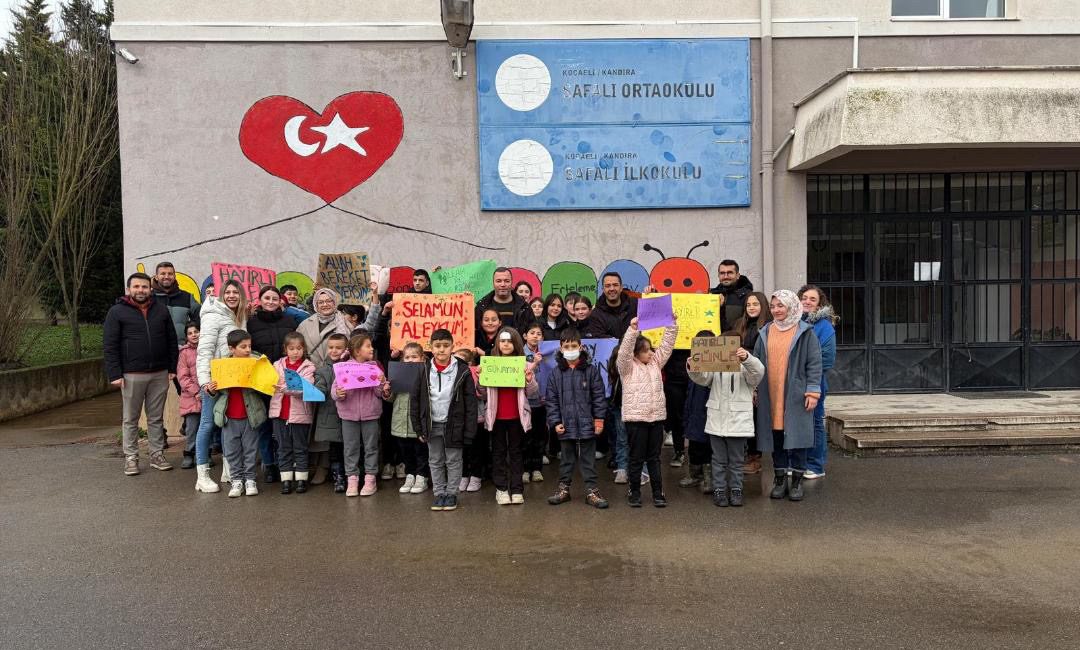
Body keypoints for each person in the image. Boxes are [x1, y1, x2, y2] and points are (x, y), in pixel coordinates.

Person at [103, 272, 179, 476]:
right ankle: (131, 457)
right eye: (136, 287)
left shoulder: (161, 310)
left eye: (144, 287)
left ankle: (156, 455)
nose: (141, 290)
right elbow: (110, 345)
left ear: (150, 289)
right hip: (131, 374)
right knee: (131, 418)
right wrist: (115, 373)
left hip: (159, 373)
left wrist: (172, 368)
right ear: (129, 289)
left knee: (156, 418)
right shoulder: (116, 312)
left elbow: (171, 340)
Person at [753, 290, 822, 502]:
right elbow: (755, 362)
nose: (776, 310)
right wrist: (754, 388)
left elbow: (814, 363)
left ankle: (797, 481)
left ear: (791, 306)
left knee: (798, 437)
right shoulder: (765, 331)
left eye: (780, 306)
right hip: (770, 392)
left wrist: (812, 391)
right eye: (773, 306)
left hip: (796, 394)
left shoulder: (805, 332)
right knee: (776, 437)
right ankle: (780, 479)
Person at [689, 332, 764, 507]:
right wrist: (694, 365)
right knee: (718, 459)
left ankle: (736, 489)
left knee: (737, 460)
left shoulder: (746, 365)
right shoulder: (716, 363)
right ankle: (720, 490)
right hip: (717, 420)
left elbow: (758, 373)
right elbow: (702, 378)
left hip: (738, 421)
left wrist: (747, 358)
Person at [410, 329, 478, 511]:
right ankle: (439, 493)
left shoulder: (462, 370)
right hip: (432, 424)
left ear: (452, 347)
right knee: (435, 460)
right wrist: (418, 427)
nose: (441, 350)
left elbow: (471, 403)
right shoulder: (424, 370)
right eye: (437, 346)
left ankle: (451, 494)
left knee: (454, 460)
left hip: (454, 425)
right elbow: (415, 400)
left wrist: (469, 431)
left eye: (446, 346)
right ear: (430, 347)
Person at [617, 315, 678, 508]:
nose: (651, 353)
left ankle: (658, 493)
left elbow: (667, 346)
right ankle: (634, 492)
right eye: (645, 350)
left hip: (656, 418)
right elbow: (624, 352)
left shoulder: (655, 363)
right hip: (636, 420)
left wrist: (672, 324)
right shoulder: (627, 368)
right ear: (635, 353)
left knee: (654, 458)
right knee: (636, 458)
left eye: (651, 349)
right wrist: (632, 330)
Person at [545, 327, 609, 509]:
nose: (570, 349)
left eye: (574, 346)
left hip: (587, 425)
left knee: (588, 460)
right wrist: (556, 422)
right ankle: (563, 490)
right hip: (565, 425)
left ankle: (592, 492)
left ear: (580, 347)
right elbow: (551, 400)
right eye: (567, 346)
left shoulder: (591, 371)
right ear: (561, 348)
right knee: (566, 460)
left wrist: (598, 420)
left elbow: (599, 397)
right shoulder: (556, 373)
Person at [194, 279, 247, 492]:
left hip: (231, 380)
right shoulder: (212, 315)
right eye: (228, 292)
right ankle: (202, 476)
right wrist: (205, 382)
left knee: (226, 423)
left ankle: (228, 470)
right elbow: (204, 350)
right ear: (221, 294)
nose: (232, 295)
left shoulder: (239, 316)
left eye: (236, 292)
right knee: (207, 424)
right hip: (214, 380)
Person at [247, 285, 300, 483]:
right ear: (260, 300)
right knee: (264, 425)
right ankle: (269, 464)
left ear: (280, 302)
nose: (270, 302)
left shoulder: (290, 321)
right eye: (267, 298)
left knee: (285, 423)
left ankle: (285, 463)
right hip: (262, 381)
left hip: (286, 380)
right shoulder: (251, 323)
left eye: (274, 299)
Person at [481, 327, 539, 505]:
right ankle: (501, 489)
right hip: (496, 417)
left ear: (516, 343)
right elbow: (482, 393)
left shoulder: (523, 364)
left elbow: (533, 391)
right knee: (498, 453)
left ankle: (516, 489)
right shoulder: (490, 364)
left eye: (510, 341)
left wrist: (529, 379)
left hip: (517, 417)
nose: (506, 344)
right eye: (502, 341)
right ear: (497, 343)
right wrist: (481, 380)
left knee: (516, 453)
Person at [211, 330, 266, 497]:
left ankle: (250, 479)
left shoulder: (257, 362)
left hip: (251, 415)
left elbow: (265, 387)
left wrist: (262, 379)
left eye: (249, 346)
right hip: (228, 416)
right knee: (231, 450)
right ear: (231, 348)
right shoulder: (222, 365)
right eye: (243, 347)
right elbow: (217, 391)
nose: (248, 349)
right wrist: (211, 389)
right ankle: (236, 480)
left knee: (251, 449)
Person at [332, 333, 387, 497]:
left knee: (371, 447)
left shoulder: (375, 367)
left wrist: (382, 384)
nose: (372, 349)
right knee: (350, 448)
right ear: (357, 350)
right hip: (348, 415)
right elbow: (335, 391)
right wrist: (338, 393)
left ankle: (370, 479)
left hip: (371, 414)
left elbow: (379, 393)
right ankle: (352, 479)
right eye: (368, 346)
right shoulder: (343, 368)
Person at [269, 332, 317, 494]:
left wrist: (286, 388)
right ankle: (286, 480)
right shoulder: (277, 365)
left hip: (300, 415)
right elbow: (270, 382)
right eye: (291, 348)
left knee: (300, 448)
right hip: (279, 414)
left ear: (304, 349)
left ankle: (301, 480)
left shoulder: (308, 367)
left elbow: (305, 388)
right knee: (283, 447)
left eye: (299, 348)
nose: (295, 352)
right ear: (285, 349)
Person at [799, 285, 836, 481]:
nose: (807, 301)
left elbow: (827, 359)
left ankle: (815, 465)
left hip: (814, 381)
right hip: (794, 382)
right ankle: (798, 462)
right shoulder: (793, 322)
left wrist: (802, 368)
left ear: (819, 304)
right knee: (796, 423)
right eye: (804, 298)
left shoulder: (824, 326)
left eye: (812, 299)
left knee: (815, 423)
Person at [385, 342, 429, 495]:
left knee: (421, 451)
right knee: (406, 451)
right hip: (400, 421)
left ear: (422, 358)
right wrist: (387, 391)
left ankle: (422, 476)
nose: (410, 360)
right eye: (407, 357)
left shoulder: (427, 374)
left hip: (418, 423)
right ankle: (410, 475)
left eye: (414, 357)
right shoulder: (398, 374)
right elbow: (391, 398)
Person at [734, 291, 771, 474]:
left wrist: (756, 388)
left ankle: (755, 458)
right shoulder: (739, 324)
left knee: (756, 418)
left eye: (755, 304)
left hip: (760, 377)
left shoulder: (768, 327)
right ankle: (744, 455)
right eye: (748, 305)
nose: (751, 307)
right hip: (740, 377)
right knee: (744, 416)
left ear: (763, 306)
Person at [679, 330, 715, 494]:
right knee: (694, 443)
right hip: (694, 410)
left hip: (708, 411)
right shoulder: (693, 364)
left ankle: (708, 477)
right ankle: (695, 474)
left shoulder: (715, 368)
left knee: (707, 444)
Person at [312, 333, 349, 493]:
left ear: (346, 349)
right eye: (331, 347)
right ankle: (338, 477)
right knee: (335, 450)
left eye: (338, 348)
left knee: (351, 448)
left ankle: (352, 476)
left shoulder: (351, 366)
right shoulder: (322, 370)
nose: (334, 351)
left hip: (349, 415)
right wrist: (314, 391)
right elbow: (320, 387)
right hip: (331, 415)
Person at [296, 288, 353, 367]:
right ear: (316, 305)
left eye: (329, 301)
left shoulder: (345, 323)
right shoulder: (305, 325)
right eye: (320, 302)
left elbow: (352, 348)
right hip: (310, 371)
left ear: (334, 302)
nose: (325, 304)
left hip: (335, 371)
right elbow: (297, 347)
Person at [151, 261, 200, 345]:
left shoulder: (187, 297)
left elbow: (199, 319)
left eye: (170, 274)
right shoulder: (149, 298)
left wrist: (191, 340)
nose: (167, 276)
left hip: (182, 348)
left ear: (174, 276)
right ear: (156, 277)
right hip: (156, 348)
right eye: (163, 273)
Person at [522, 322, 546, 484]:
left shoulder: (547, 352)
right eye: (532, 333)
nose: (535, 336)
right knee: (525, 437)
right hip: (524, 402)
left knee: (539, 436)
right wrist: (535, 363)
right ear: (525, 336)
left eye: (539, 334)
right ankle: (525, 469)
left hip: (541, 402)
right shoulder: (519, 352)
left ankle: (537, 469)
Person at [177, 323, 202, 470]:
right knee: (192, 428)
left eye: (196, 331)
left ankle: (203, 455)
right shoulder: (184, 353)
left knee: (206, 428)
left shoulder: (206, 349)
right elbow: (183, 377)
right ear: (186, 337)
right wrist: (196, 391)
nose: (194, 335)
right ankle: (189, 454)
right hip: (191, 397)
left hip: (207, 394)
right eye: (190, 333)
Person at [711, 259, 755, 332]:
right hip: (713, 339)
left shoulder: (749, 296)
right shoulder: (711, 295)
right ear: (718, 275)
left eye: (730, 273)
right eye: (722, 273)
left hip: (738, 338)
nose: (726, 276)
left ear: (738, 275)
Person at [593, 272, 637, 339]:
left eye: (615, 285)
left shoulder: (635, 305)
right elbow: (600, 339)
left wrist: (651, 294)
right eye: (608, 286)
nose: (612, 289)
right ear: (603, 289)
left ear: (621, 288)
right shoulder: (596, 315)